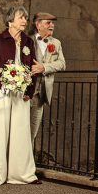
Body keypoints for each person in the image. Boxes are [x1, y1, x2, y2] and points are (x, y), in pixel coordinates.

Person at [0, 6, 41, 185]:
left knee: (21, 132)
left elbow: (33, 68)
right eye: (21, 17)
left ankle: (22, 174)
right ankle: (0, 175)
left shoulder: (28, 42)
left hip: (21, 92)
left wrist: (29, 92)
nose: (24, 21)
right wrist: (2, 82)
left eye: (25, 18)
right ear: (10, 21)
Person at [29, 12, 67, 143]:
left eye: (53, 23)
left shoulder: (56, 43)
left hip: (42, 94)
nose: (52, 25)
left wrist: (44, 67)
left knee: (33, 131)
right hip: (26, 91)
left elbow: (62, 64)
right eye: (48, 22)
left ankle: (27, 162)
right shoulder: (27, 40)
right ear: (38, 25)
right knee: (19, 128)